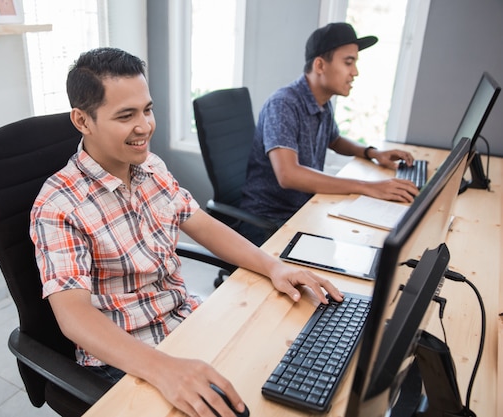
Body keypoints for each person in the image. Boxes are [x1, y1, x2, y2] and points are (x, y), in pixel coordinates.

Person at [30, 47, 343, 417]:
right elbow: (73, 316)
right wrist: (163, 368)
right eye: (126, 115)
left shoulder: (150, 167)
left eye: (147, 109)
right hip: (126, 358)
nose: (145, 126)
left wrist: (273, 266)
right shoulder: (58, 204)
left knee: (286, 367)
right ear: (82, 121)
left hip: (185, 319)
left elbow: (202, 224)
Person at [238, 23, 420, 246]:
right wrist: (367, 187)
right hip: (269, 221)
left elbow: (334, 139)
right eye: (348, 62)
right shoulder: (284, 104)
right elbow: (288, 175)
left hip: (303, 209)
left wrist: (372, 152)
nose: (355, 72)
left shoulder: (322, 101)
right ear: (320, 65)